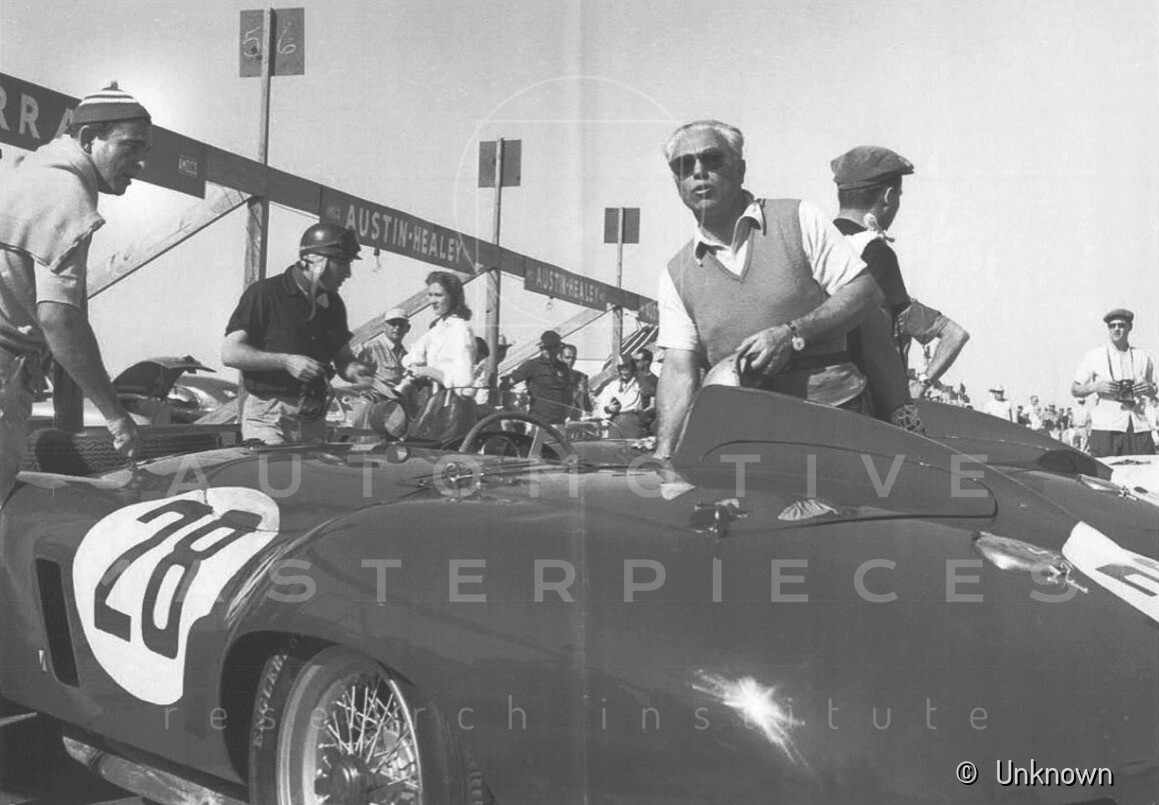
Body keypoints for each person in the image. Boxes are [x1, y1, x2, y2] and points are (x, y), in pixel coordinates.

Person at [655, 120, 881, 459]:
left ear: (741, 169)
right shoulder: (677, 274)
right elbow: (677, 369)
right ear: (677, 181)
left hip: (832, 422)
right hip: (743, 439)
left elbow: (864, 293)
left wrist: (793, 334)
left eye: (712, 159)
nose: (698, 172)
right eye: (684, 165)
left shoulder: (798, 219)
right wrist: (663, 452)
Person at [0, 82, 152, 503]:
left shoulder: (23, 171)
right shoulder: (68, 197)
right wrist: (116, 416)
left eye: (146, 150)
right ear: (88, 138)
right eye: (130, 145)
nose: (141, 163)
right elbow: (60, 319)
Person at [829, 146, 971, 410]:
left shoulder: (816, 243)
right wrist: (920, 384)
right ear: (888, 196)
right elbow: (952, 334)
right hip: (861, 402)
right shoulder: (874, 252)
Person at [222, 222, 373, 444]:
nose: (348, 273)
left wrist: (357, 372)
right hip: (268, 417)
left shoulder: (333, 304)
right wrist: (286, 361)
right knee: (276, 467)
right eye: (342, 263)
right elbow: (230, 353)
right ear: (315, 261)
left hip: (313, 418)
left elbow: (344, 359)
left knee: (311, 470)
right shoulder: (265, 293)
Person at [1072, 308, 1156, 457]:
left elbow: (1154, 389)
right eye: (1112, 326)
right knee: (1104, 469)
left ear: (1130, 327)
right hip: (1106, 426)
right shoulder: (1095, 355)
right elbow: (1075, 389)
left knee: (1144, 467)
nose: (1116, 329)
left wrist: (1148, 388)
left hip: (1138, 425)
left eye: (1121, 325)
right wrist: (1096, 386)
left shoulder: (1143, 356)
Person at [402, 271, 476, 395]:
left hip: (452, 400)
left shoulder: (460, 329)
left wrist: (429, 371)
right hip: (435, 398)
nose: (432, 301)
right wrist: (415, 367)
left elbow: (464, 384)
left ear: (453, 297)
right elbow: (412, 356)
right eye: (430, 295)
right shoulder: (438, 328)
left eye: (438, 295)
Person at [501, 330, 572, 425]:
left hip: (559, 422)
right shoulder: (532, 365)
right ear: (541, 348)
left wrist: (568, 411)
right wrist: (507, 407)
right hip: (538, 422)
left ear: (559, 348)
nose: (549, 351)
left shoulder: (563, 367)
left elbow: (568, 391)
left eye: (553, 347)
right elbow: (505, 384)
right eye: (546, 348)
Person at [595, 358, 646, 437]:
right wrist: (608, 408)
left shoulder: (640, 383)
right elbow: (603, 402)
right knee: (614, 443)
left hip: (633, 420)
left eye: (627, 369)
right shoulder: (613, 385)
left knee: (632, 443)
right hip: (615, 420)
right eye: (622, 369)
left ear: (632, 369)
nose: (624, 372)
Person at [560, 342, 592, 419]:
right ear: (560, 358)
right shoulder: (550, 376)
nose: (571, 360)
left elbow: (586, 401)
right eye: (567, 357)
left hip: (575, 419)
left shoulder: (581, 377)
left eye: (573, 358)